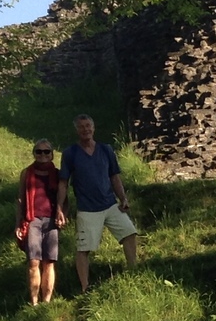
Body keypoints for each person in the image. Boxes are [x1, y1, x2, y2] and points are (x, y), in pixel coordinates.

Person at [60, 113, 139, 293]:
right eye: (81, 127)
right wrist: (60, 208)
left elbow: (114, 176)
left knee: (129, 233)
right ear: (76, 130)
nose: (85, 130)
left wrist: (123, 198)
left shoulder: (106, 150)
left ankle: (134, 270)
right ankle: (85, 286)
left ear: (93, 128)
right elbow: (63, 183)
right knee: (84, 248)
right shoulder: (70, 153)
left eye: (88, 126)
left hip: (110, 204)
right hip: (87, 209)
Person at [17, 137, 63, 305]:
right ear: (34, 154)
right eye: (39, 151)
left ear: (52, 155)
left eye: (46, 151)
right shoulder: (26, 173)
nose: (42, 155)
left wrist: (63, 215)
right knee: (33, 261)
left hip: (52, 220)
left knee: (49, 262)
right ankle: (34, 301)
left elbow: (64, 198)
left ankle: (47, 301)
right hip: (32, 220)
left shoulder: (57, 174)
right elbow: (21, 199)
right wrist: (18, 223)